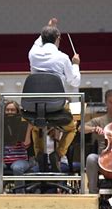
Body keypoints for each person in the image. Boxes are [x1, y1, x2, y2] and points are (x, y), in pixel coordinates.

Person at [28, 17, 81, 166]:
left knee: (36, 126)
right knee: (71, 128)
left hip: (35, 107)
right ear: (58, 38)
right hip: (56, 107)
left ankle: (39, 154)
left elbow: (37, 42)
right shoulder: (62, 57)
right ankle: (58, 155)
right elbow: (75, 81)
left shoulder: (33, 54)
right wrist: (75, 64)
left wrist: (49, 27)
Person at [0, 101, 32, 202]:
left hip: (20, 159)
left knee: (17, 168)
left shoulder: (22, 124)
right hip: (3, 160)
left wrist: (28, 129)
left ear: (17, 112)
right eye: (7, 110)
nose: (9, 112)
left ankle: (20, 198)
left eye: (12, 110)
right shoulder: (1, 124)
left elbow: (26, 144)